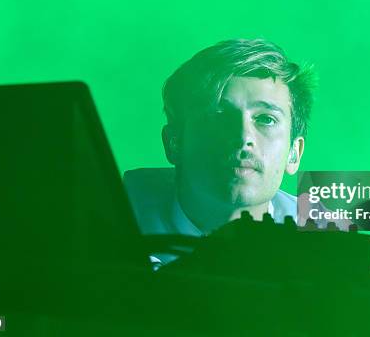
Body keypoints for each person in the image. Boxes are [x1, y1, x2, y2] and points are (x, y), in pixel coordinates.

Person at [124, 38, 316, 241]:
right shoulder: (110, 217)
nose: (243, 137)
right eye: (218, 116)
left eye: (266, 119)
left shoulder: (326, 235)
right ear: (174, 142)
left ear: (294, 154)